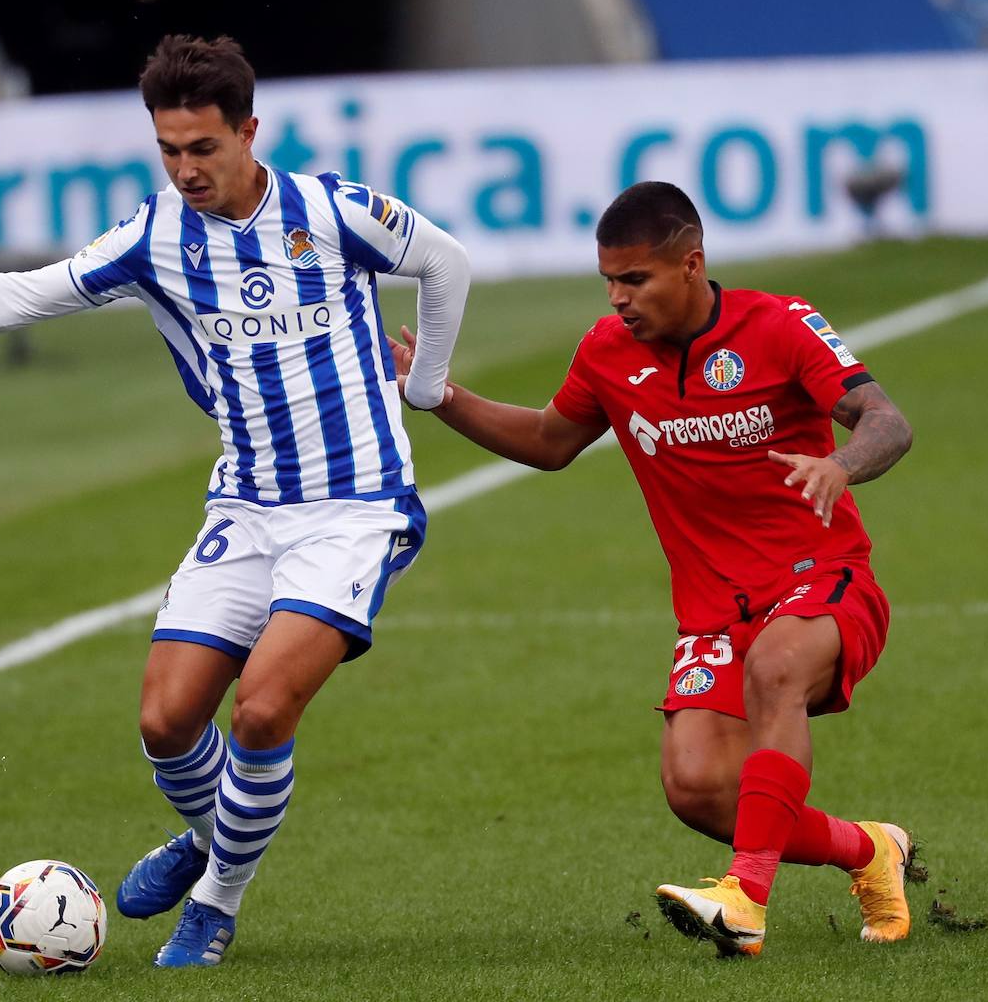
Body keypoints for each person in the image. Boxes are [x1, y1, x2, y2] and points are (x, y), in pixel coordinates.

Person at [0, 34, 469, 969]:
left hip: (357, 507)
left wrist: (426, 388)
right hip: (248, 503)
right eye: (169, 150)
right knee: (164, 723)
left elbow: (445, 263)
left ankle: (217, 903)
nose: (186, 169)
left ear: (248, 131)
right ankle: (211, 838)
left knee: (264, 711)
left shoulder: (331, 209)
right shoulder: (155, 235)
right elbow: (25, 293)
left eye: (203, 147)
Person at [389, 181, 914, 958]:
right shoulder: (606, 352)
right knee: (698, 787)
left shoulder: (780, 323)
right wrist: (439, 397)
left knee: (777, 668)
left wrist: (840, 464)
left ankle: (743, 898)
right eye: (609, 281)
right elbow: (548, 440)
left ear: (692, 264)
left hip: (822, 575)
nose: (618, 298)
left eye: (635, 280)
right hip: (713, 608)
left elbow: (888, 421)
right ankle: (870, 851)